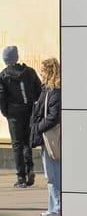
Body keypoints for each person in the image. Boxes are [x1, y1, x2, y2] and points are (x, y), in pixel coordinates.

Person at [1, 45, 43, 188]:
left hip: (14, 114)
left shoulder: (4, 75)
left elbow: (1, 96)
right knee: (26, 142)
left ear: (6, 60)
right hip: (29, 111)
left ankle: (21, 177)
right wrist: (36, 108)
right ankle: (30, 168)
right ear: (16, 57)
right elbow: (39, 90)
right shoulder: (29, 72)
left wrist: (5, 112)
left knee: (17, 144)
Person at [31, 57, 60, 216]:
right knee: (53, 173)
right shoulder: (48, 89)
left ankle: (56, 207)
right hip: (47, 136)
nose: (40, 73)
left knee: (53, 174)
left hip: (50, 138)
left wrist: (38, 127)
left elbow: (53, 116)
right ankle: (54, 206)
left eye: (42, 70)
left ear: (49, 72)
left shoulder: (54, 91)